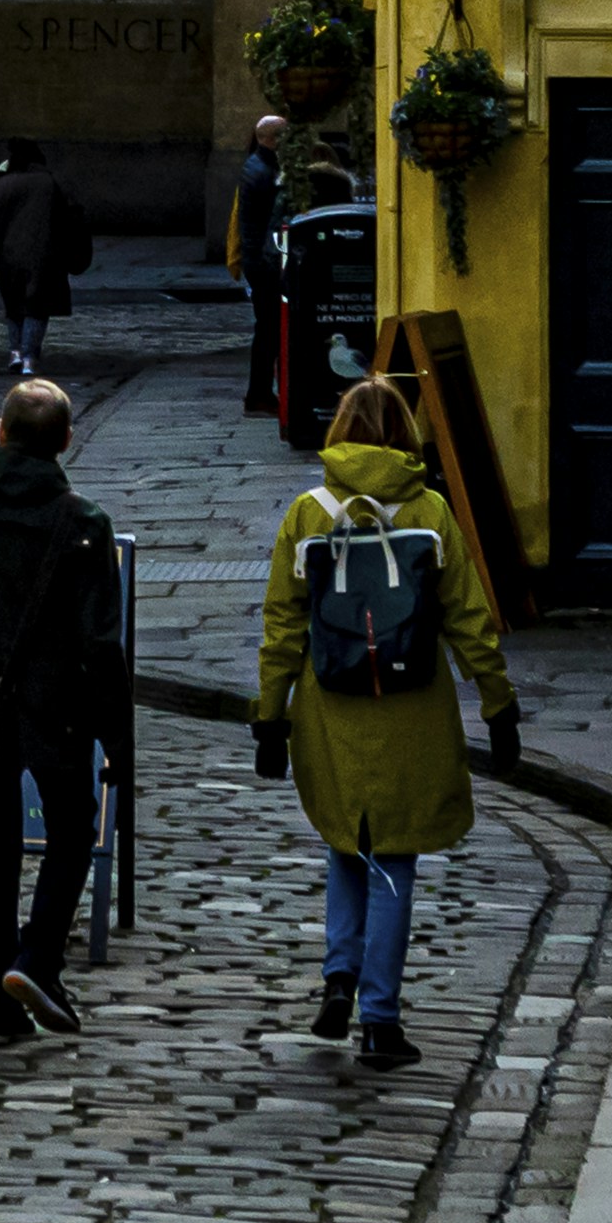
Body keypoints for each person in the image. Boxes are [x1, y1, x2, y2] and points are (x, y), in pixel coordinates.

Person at [258, 374, 519, 1067]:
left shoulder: (308, 512)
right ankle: (380, 1018)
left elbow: (283, 624)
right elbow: (469, 618)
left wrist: (268, 716)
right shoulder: (430, 511)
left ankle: (339, 975)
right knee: (394, 860)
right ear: (405, 435)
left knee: (346, 841)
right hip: (412, 706)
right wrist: (498, 703)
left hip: (330, 704)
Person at [0, 379, 129, 1040]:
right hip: (56, 709)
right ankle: (37, 957)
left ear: (1, 432)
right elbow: (100, 647)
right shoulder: (84, 523)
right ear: (65, 440)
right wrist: (119, 738)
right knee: (72, 834)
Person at [0, 138, 87, 367]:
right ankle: (29, 356)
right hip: (45, 254)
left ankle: (15, 352)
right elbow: (73, 218)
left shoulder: (4, 185)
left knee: (13, 304)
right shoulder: (52, 183)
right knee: (37, 306)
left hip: (8, 255)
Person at [227, 110, 303, 435]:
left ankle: (261, 393)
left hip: (258, 261)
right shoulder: (265, 172)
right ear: (271, 140)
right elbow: (273, 218)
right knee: (270, 330)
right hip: (264, 263)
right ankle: (259, 394)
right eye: (285, 137)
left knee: (268, 330)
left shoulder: (257, 165)